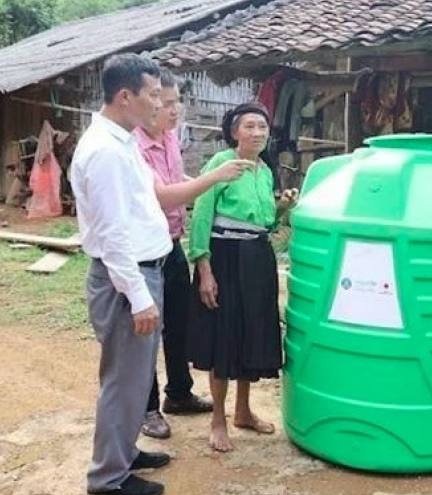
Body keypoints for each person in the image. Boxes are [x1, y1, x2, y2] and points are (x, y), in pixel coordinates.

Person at [70, 53, 169, 495]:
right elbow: (112, 234)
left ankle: (123, 451)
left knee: (136, 376)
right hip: (127, 281)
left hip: (144, 272)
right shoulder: (105, 151)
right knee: (122, 379)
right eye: (152, 94)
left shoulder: (123, 141)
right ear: (125, 96)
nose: (158, 102)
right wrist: (139, 296)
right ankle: (108, 479)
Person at [132, 69, 247, 439]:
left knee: (179, 325)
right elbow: (161, 195)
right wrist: (213, 179)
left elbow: (178, 184)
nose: (174, 109)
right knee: (146, 332)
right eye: (165, 103)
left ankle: (178, 394)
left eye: (177, 101)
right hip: (141, 252)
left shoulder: (167, 139)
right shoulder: (133, 147)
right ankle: (147, 408)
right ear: (145, 104)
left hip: (172, 244)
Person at [187, 101, 298, 452]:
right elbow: (202, 215)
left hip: (257, 257)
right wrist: (204, 268)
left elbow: (265, 225)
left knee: (252, 331)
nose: (257, 132)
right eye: (249, 126)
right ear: (234, 132)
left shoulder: (265, 171)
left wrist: (281, 210)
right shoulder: (221, 164)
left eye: (262, 127)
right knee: (224, 335)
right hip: (225, 257)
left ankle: (243, 412)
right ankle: (218, 418)